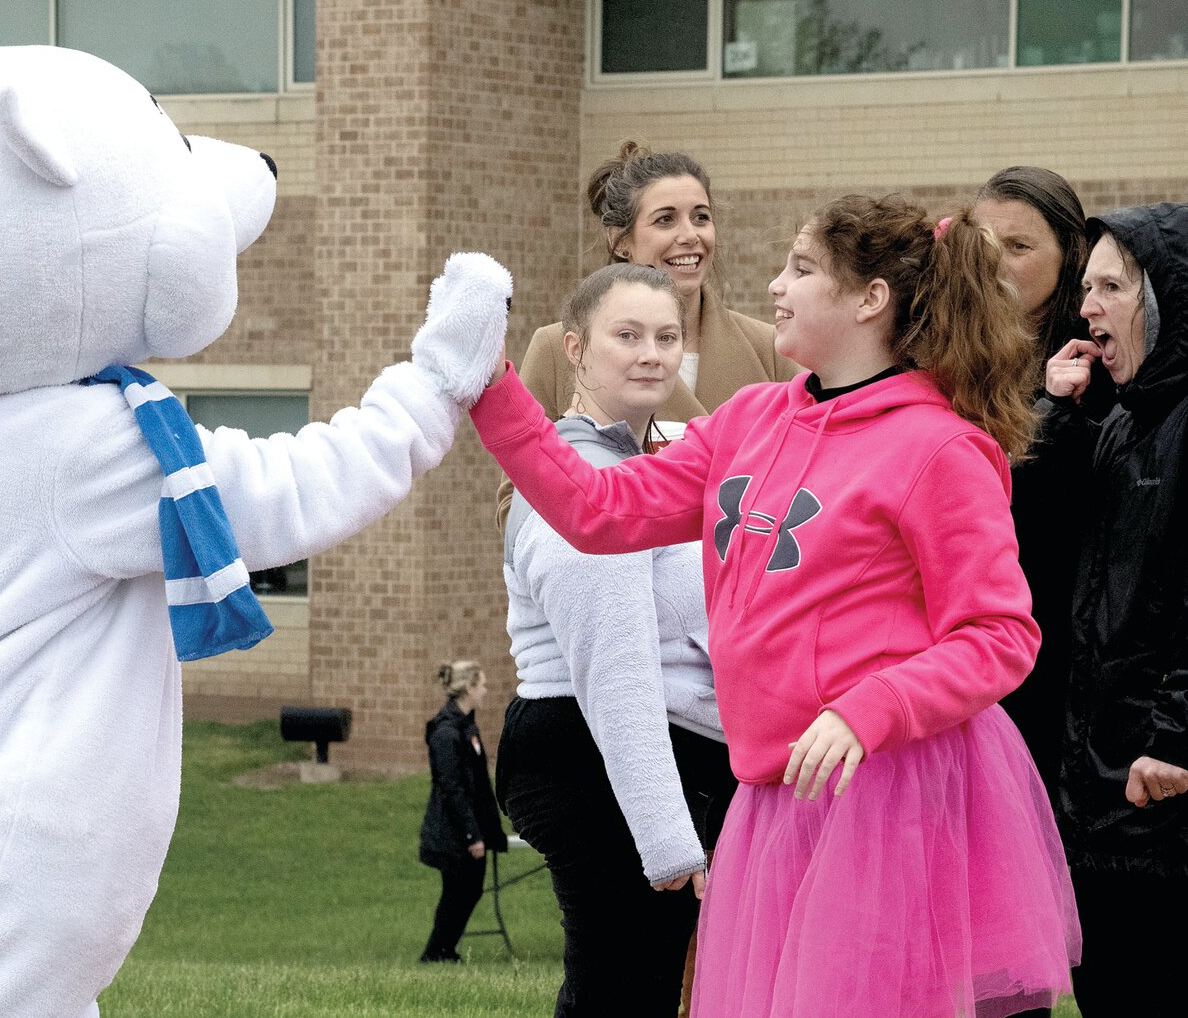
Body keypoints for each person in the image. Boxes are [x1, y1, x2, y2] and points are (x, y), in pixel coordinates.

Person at [468, 195, 1080, 1017]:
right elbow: (596, 509)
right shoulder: (751, 418)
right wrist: (489, 383)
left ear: (870, 300)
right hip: (776, 793)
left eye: (800, 268)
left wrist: (872, 708)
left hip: (896, 792)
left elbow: (999, 634)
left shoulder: (940, 448)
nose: (773, 285)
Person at [498, 263, 734, 1017]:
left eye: (667, 336)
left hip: (638, 757)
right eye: (626, 335)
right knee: (621, 992)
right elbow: (617, 668)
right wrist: (666, 838)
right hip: (591, 753)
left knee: (647, 987)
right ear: (574, 347)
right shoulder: (579, 475)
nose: (650, 353)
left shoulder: (641, 465)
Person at [1035, 202, 1188, 1018]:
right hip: (1098, 800)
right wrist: (1061, 414)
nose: (1086, 307)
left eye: (1109, 287)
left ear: (1164, 296)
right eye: (1085, 287)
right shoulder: (1119, 418)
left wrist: (1176, 734)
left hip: (1160, 793)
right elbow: (1033, 543)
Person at [498, 142, 798, 528]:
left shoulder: (768, 349)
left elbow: (805, 484)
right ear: (620, 241)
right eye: (665, 220)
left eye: (701, 217)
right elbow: (517, 501)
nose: (690, 235)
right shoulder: (560, 347)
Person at [974, 166, 1098, 807]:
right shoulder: (953, 357)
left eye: (1019, 247)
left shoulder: (1091, 366)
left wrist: (1051, 409)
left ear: (1068, 256)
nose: (997, 263)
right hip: (971, 651)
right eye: (985, 245)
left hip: (1055, 654)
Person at [418, 660, 506, 963]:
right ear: (468, 687)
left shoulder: (467, 726)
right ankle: (436, 951)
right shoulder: (446, 732)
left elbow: (477, 784)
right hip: (452, 830)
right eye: (481, 684)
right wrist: (472, 835)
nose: (485, 690)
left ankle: (444, 949)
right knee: (458, 892)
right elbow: (452, 787)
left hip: (469, 827)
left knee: (468, 891)